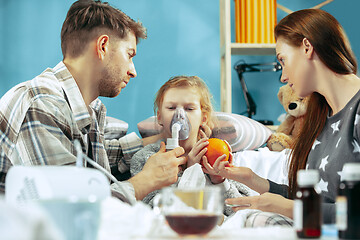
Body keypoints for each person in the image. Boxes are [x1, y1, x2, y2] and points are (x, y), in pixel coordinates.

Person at [0, 0, 190, 203]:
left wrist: (163, 136)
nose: (133, 71)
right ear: (103, 46)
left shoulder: (89, 107)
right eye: (129, 55)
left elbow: (98, 158)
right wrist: (147, 181)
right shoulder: (41, 104)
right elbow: (69, 209)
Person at [211, 8, 360, 225]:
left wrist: (287, 208)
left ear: (307, 48)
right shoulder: (322, 116)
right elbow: (318, 200)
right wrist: (255, 181)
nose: (282, 76)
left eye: (283, 60)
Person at [130, 75, 250, 216]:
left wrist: (219, 181)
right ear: (160, 117)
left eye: (189, 108)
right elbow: (151, 212)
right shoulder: (146, 158)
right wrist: (192, 173)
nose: (179, 115)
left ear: (203, 118)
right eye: (171, 107)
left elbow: (241, 211)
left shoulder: (216, 153)